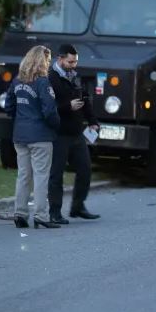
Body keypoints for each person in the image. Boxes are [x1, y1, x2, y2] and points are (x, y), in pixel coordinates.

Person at [3, 45, 61, 229]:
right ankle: (41, 215)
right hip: (40, 135)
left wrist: (20, 120)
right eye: (48, 60)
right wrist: (55, 125)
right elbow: (49, 111)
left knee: (23, 176)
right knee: (41, 176)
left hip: (20, 135)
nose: (49, 63)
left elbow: (9, 106)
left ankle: (19, 213)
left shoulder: (17, 81)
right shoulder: (43, 82)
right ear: (42, 61)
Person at [48, 43, 100, 224]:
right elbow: (48, 108)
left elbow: (85, 100)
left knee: (85, 169)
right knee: (56, 174)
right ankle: (54, 211)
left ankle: (78, 207)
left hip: (76, 133)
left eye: (75, 62)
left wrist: (92, 122)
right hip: (59, 133)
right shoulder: (51, 78)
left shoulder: (75, 77)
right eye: (70, 62)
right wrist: (67, 107)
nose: (73, 65)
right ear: (60, 59)